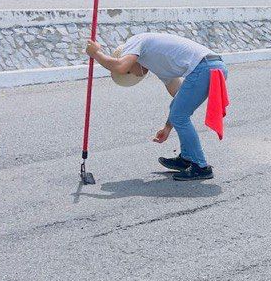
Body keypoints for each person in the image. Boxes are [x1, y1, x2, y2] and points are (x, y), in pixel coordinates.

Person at [85, 32, 228, 181]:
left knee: (179, 116)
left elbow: (120, 67)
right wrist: (167, 127)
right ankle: (187, 159)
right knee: (179, 113)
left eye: (129, 73)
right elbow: (179, 97)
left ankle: (200, 166)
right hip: (211, 65)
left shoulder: (135, 42)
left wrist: (96, 53)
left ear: (130, 59)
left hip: (205, 67)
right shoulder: (158, 64)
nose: (137, 76)